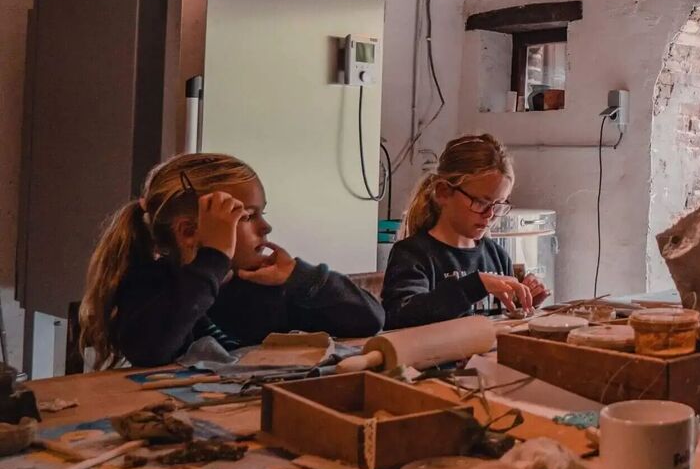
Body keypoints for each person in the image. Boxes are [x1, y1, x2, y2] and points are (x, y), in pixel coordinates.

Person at [80, 153, 385, 369]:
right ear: (189, 232)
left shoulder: (264, 283)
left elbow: (370, 319)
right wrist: (213, 260)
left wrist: (299, 276)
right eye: (248, 216)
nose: (266, 227)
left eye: (262, 213)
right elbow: (150, 350)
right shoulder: (151, 283)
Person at [381, 134, 548, 328]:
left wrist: (525, 303)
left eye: (499, 205)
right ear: (443, 192)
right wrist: (475, 285)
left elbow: (501, 323)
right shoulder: (412, 254)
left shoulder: (497, 256)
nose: (490, 214)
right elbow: (399, 317)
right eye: (480, 202)